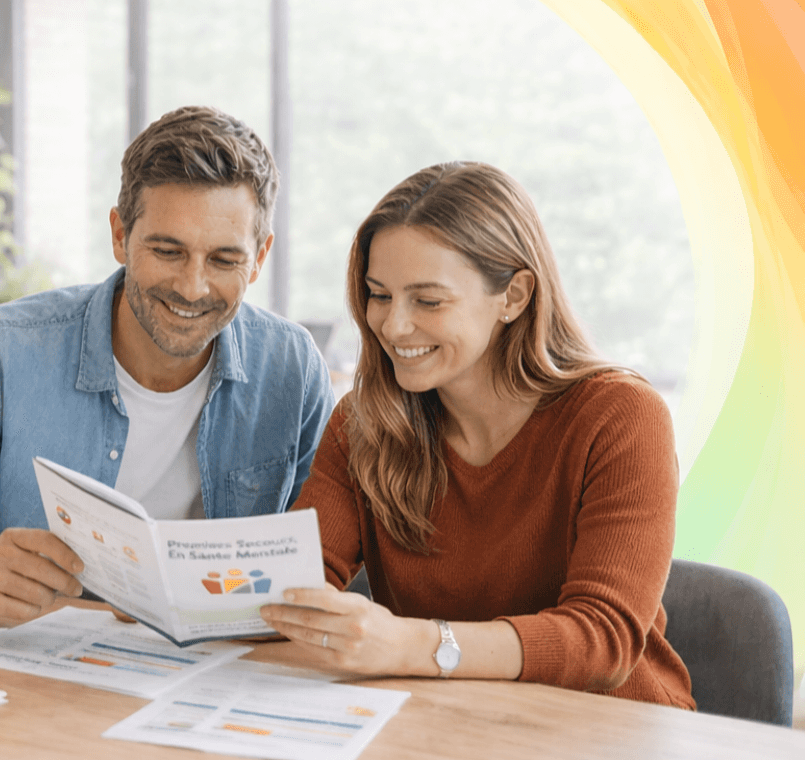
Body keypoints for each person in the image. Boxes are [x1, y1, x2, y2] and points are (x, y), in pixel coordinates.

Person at [0, 106, 335, 621]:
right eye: (167, 251)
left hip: (215, 678)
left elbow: (328, 561)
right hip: (37, 679)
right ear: (120, 235)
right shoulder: (0, 355)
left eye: (225, 260)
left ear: (261, 255)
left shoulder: (292, 371)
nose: (192, 286)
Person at [258, 162, 694, 708]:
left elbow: (601, 644)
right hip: (449, 724)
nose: (392, 326)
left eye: (428, 301)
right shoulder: (364, 424)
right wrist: (169, 592)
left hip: (610, 730)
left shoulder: (621, 418)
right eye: (379, 295)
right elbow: (297, 581)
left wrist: (415, 645)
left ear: (513, 296)